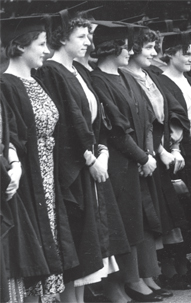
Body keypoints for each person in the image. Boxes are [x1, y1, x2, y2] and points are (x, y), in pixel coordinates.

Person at [36, 9, 130, 303]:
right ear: (62, 39)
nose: (88, 41)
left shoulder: (78, 70)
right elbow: (68, 122)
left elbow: (96, 118)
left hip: (90, 162)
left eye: (88, 35)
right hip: (74, 169)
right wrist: (89, 159)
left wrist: (100, 152)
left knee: (87, 242)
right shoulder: (52, 71)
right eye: (81, 36)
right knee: (77, 241)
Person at [1, 15, 79, 303]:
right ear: (20, 47)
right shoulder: (5, 85)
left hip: (49, 174)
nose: (46, 50)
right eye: (41, 44)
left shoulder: (36, 81)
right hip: (28, 179)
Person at [90, 20, 164, 303]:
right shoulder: (98, 80)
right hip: (120, 164)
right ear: (111, 48)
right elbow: (117, 130)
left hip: (138, 161)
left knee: (141, 221)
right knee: (125, 224)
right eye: (125, 46)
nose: (130, 51)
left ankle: (141, 278)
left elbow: (145, 119)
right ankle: (123, 284)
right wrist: (142, 157)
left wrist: (148, 155)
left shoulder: (126, 77)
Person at [121, 25, 191, 298]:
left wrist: (173, 146)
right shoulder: (126, 76)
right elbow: (142, 122)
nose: (155, 53)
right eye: (149, 48)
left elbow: (166, 112)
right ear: (133, 49)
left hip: (161, 151)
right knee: (148, 217)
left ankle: (154, 274)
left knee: (161, 218)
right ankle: (149, 275)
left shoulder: (150, 75)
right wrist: (159, 151)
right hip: (147, 154)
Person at [156, 30, 191, 286]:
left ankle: (189, 261)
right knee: (183, 207)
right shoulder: (162, 82)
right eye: (186, 53)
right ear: (169, 54)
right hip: (179, 152)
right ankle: (179, 263)